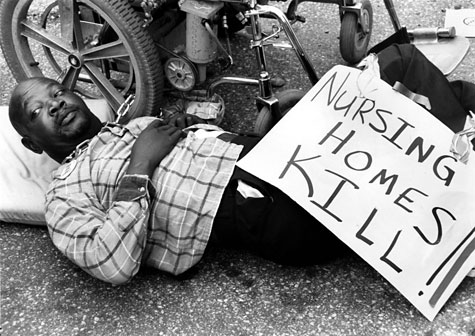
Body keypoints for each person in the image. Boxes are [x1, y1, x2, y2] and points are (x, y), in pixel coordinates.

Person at [8, 44, 474, 285]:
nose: (55, 104)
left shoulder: (139, 123)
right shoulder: (65, 195)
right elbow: (109, 263)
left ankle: (459, 130)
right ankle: (455, 197)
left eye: (55, 92)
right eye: (38, 112)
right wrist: (138, 168)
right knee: (388, 189)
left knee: (390, 65)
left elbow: (221, 142)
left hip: (273, 155)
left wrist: (273, 117)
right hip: (264, 205)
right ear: (32, 143)